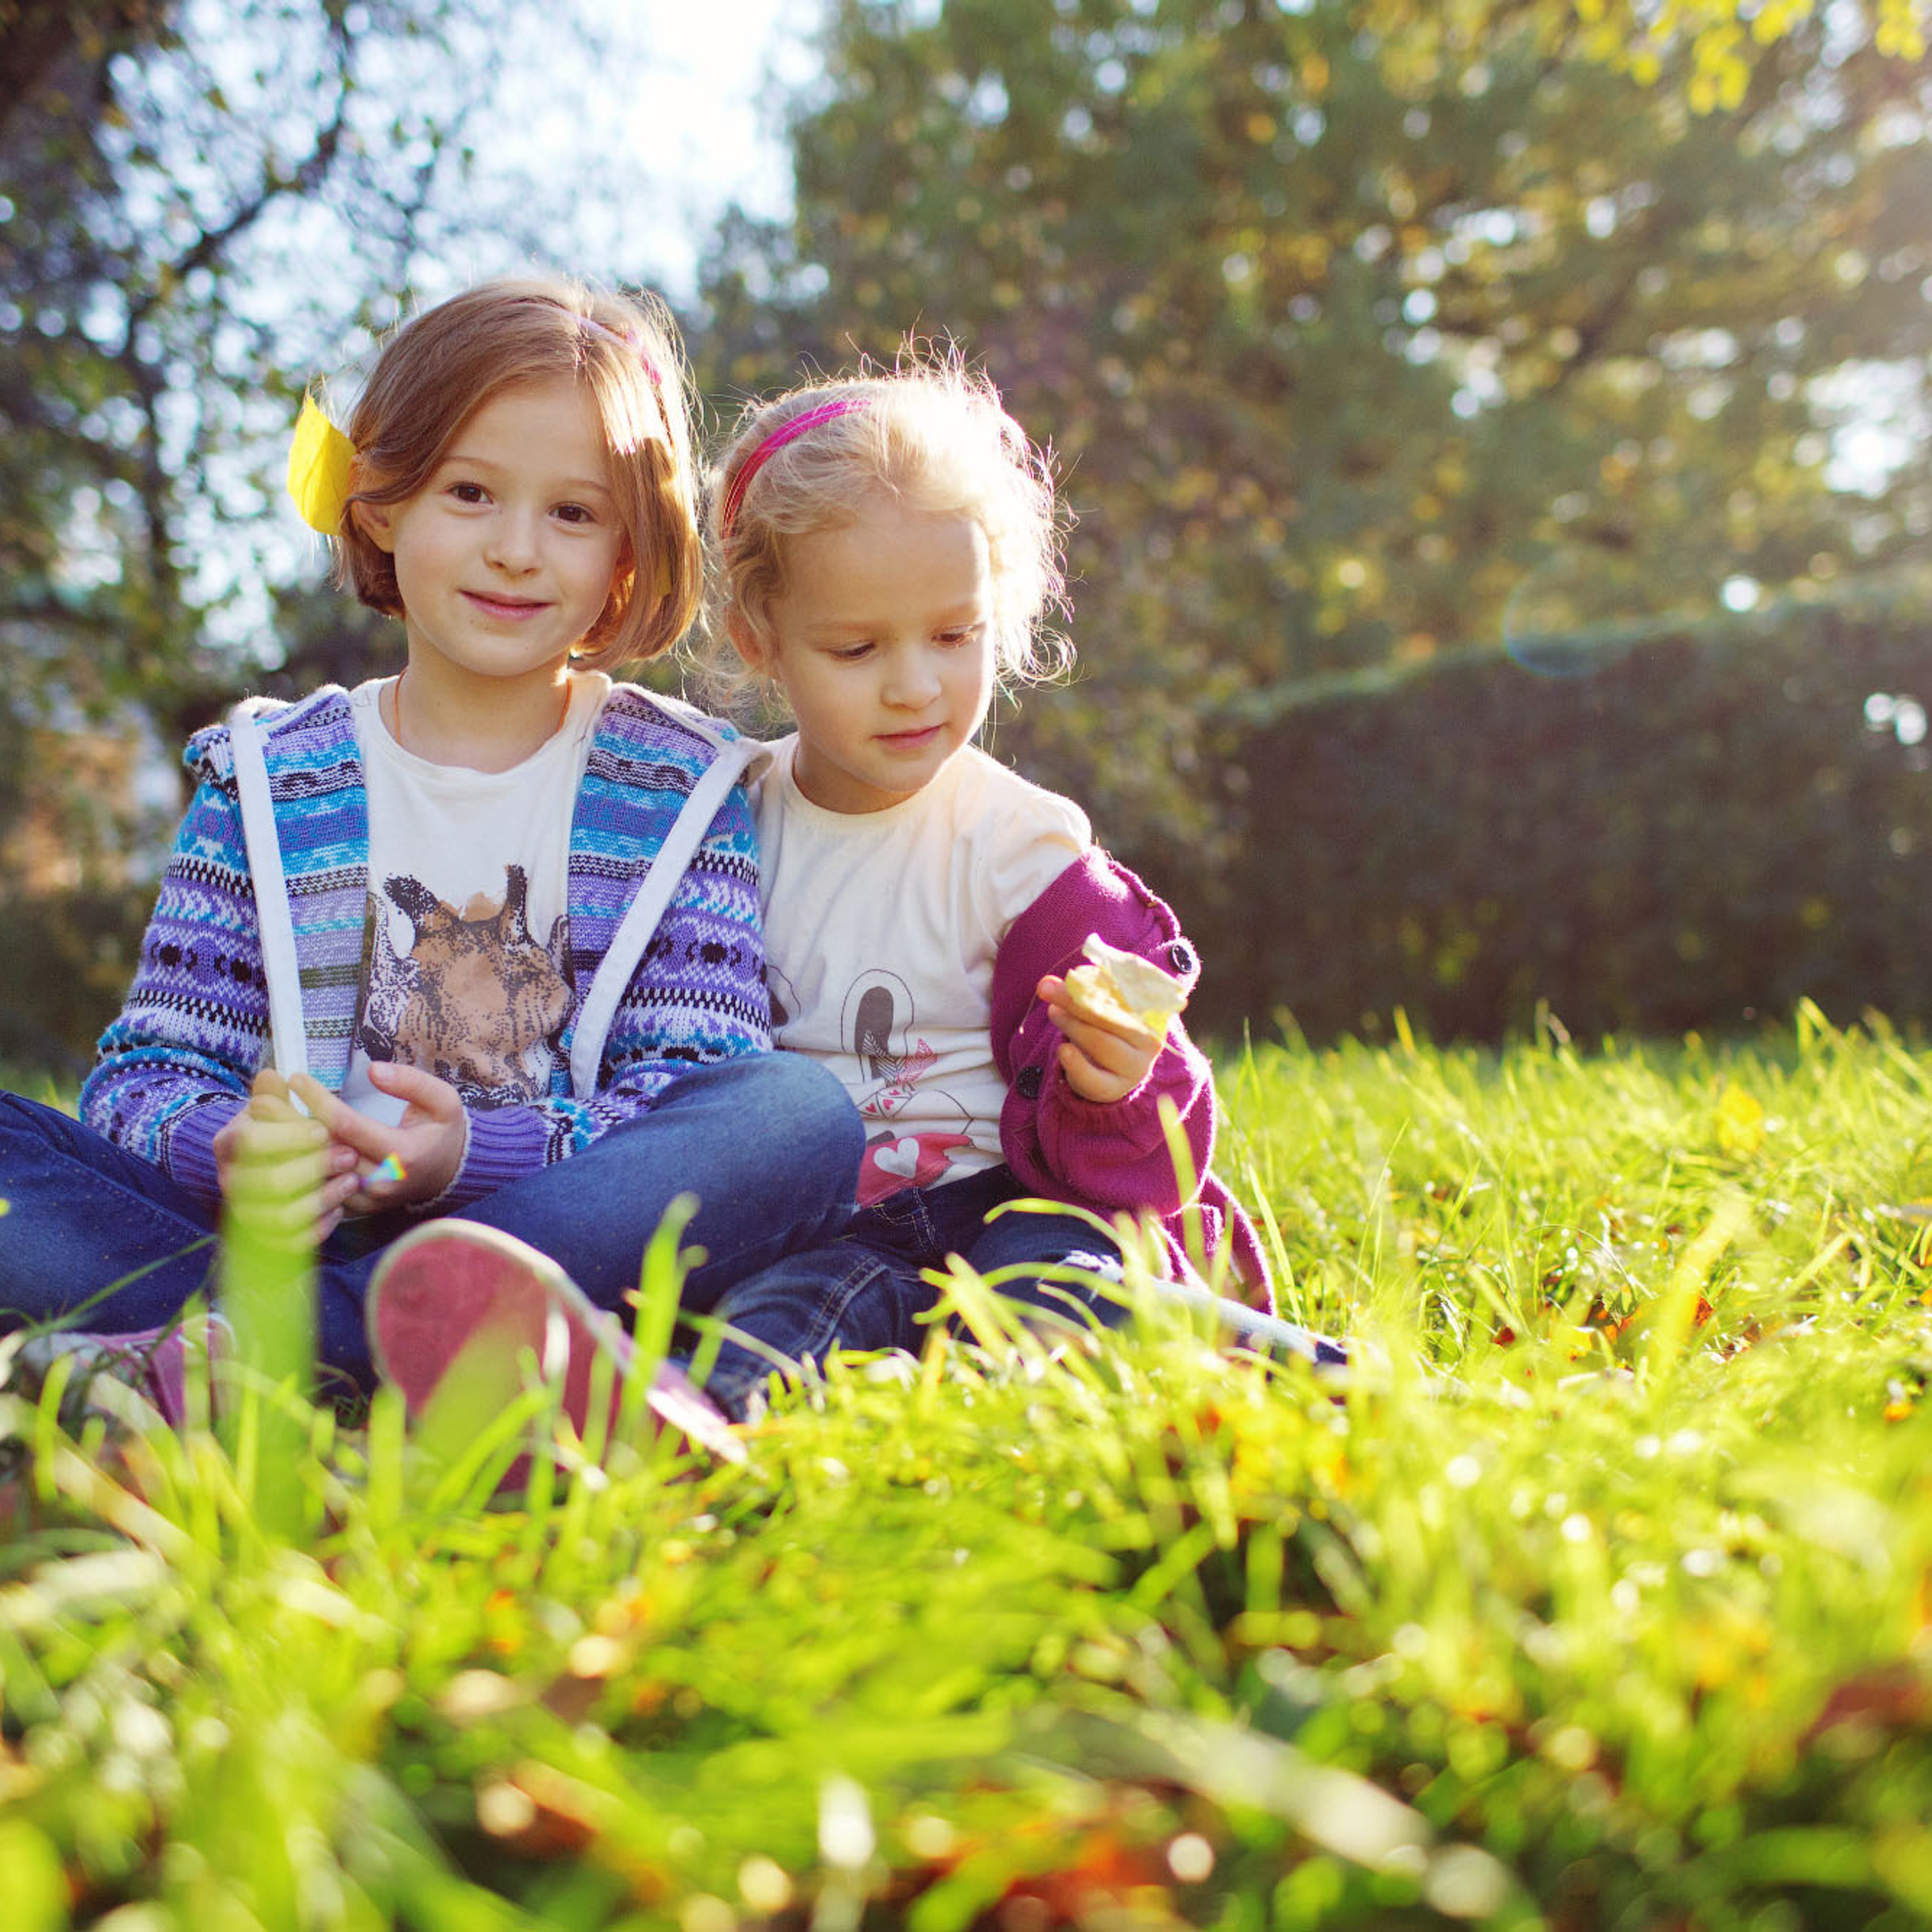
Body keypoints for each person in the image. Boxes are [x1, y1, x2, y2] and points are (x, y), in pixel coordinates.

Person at [0, 276, 862, 1438]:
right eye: (469, 492)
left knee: (794, 1117)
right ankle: (346, 1353)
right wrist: (223, 1146)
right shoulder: (266, 775)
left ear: (627, 552)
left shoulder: (676, 788)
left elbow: (693, 1076)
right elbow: (146, 1067)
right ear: (381, 502)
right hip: (253, 1244)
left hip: (548, 1235)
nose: (514, 550)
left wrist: (471, 1154)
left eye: (572, 512)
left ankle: (249, 1362)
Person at [674, 352, 1341, 1420]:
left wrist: (1116, 1080)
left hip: (1021, 1204)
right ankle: (686, 1438)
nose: (914, 685)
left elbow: (1155, 1139)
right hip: (832, 1226)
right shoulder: (721, 832)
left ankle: (1311, 1377)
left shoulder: (1022, 851)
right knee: (773, 1323)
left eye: (953, 635)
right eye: (855, 647)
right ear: (761, 640)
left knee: (1055, 1305)